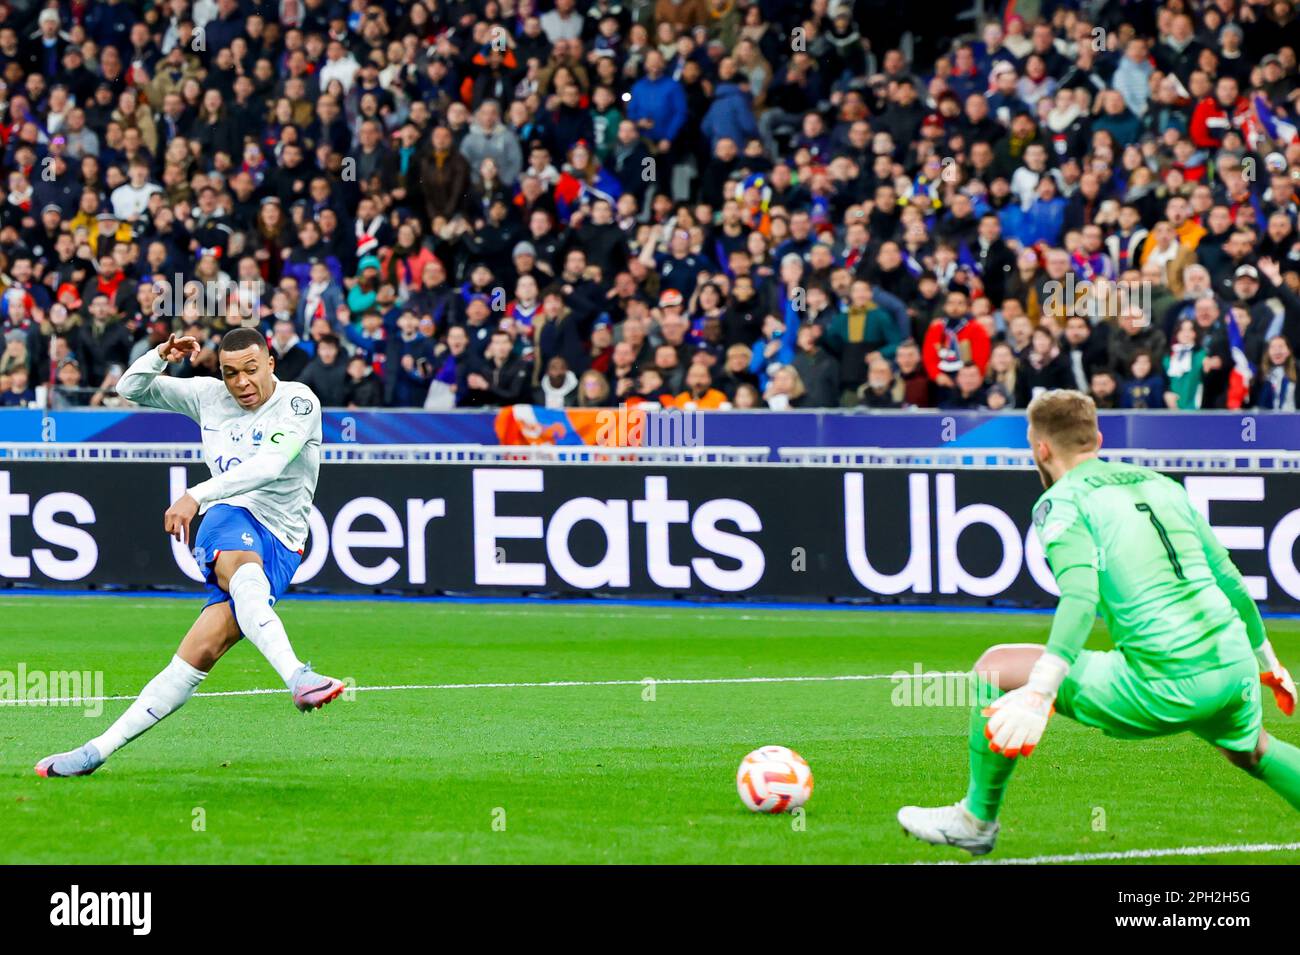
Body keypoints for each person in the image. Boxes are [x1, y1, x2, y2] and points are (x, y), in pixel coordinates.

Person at [898, 390, 1300, 856]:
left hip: (1163, 681)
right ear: (1098, 439)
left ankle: (976, 820)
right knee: (1250, 749)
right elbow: (1229, 577)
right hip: (1233, 667)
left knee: (997, 666)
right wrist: (1267, 662)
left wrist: (1039, 694)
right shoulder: (1163, 484)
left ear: (1041, 448)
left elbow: (1081, 596)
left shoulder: (1061, 502)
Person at [35, 328, 345, 778]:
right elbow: (130, 388)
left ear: (271, 363)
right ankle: (298, 676)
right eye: (230, 373)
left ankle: (95, 751)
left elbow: (269, 466)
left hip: (283, 542)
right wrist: (160, 355)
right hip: (228, 518)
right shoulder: (207, 395)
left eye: (250, 370)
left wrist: (194, 494)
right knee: (243, 573)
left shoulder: (299, 402)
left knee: (193, 660)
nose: (240, 383)